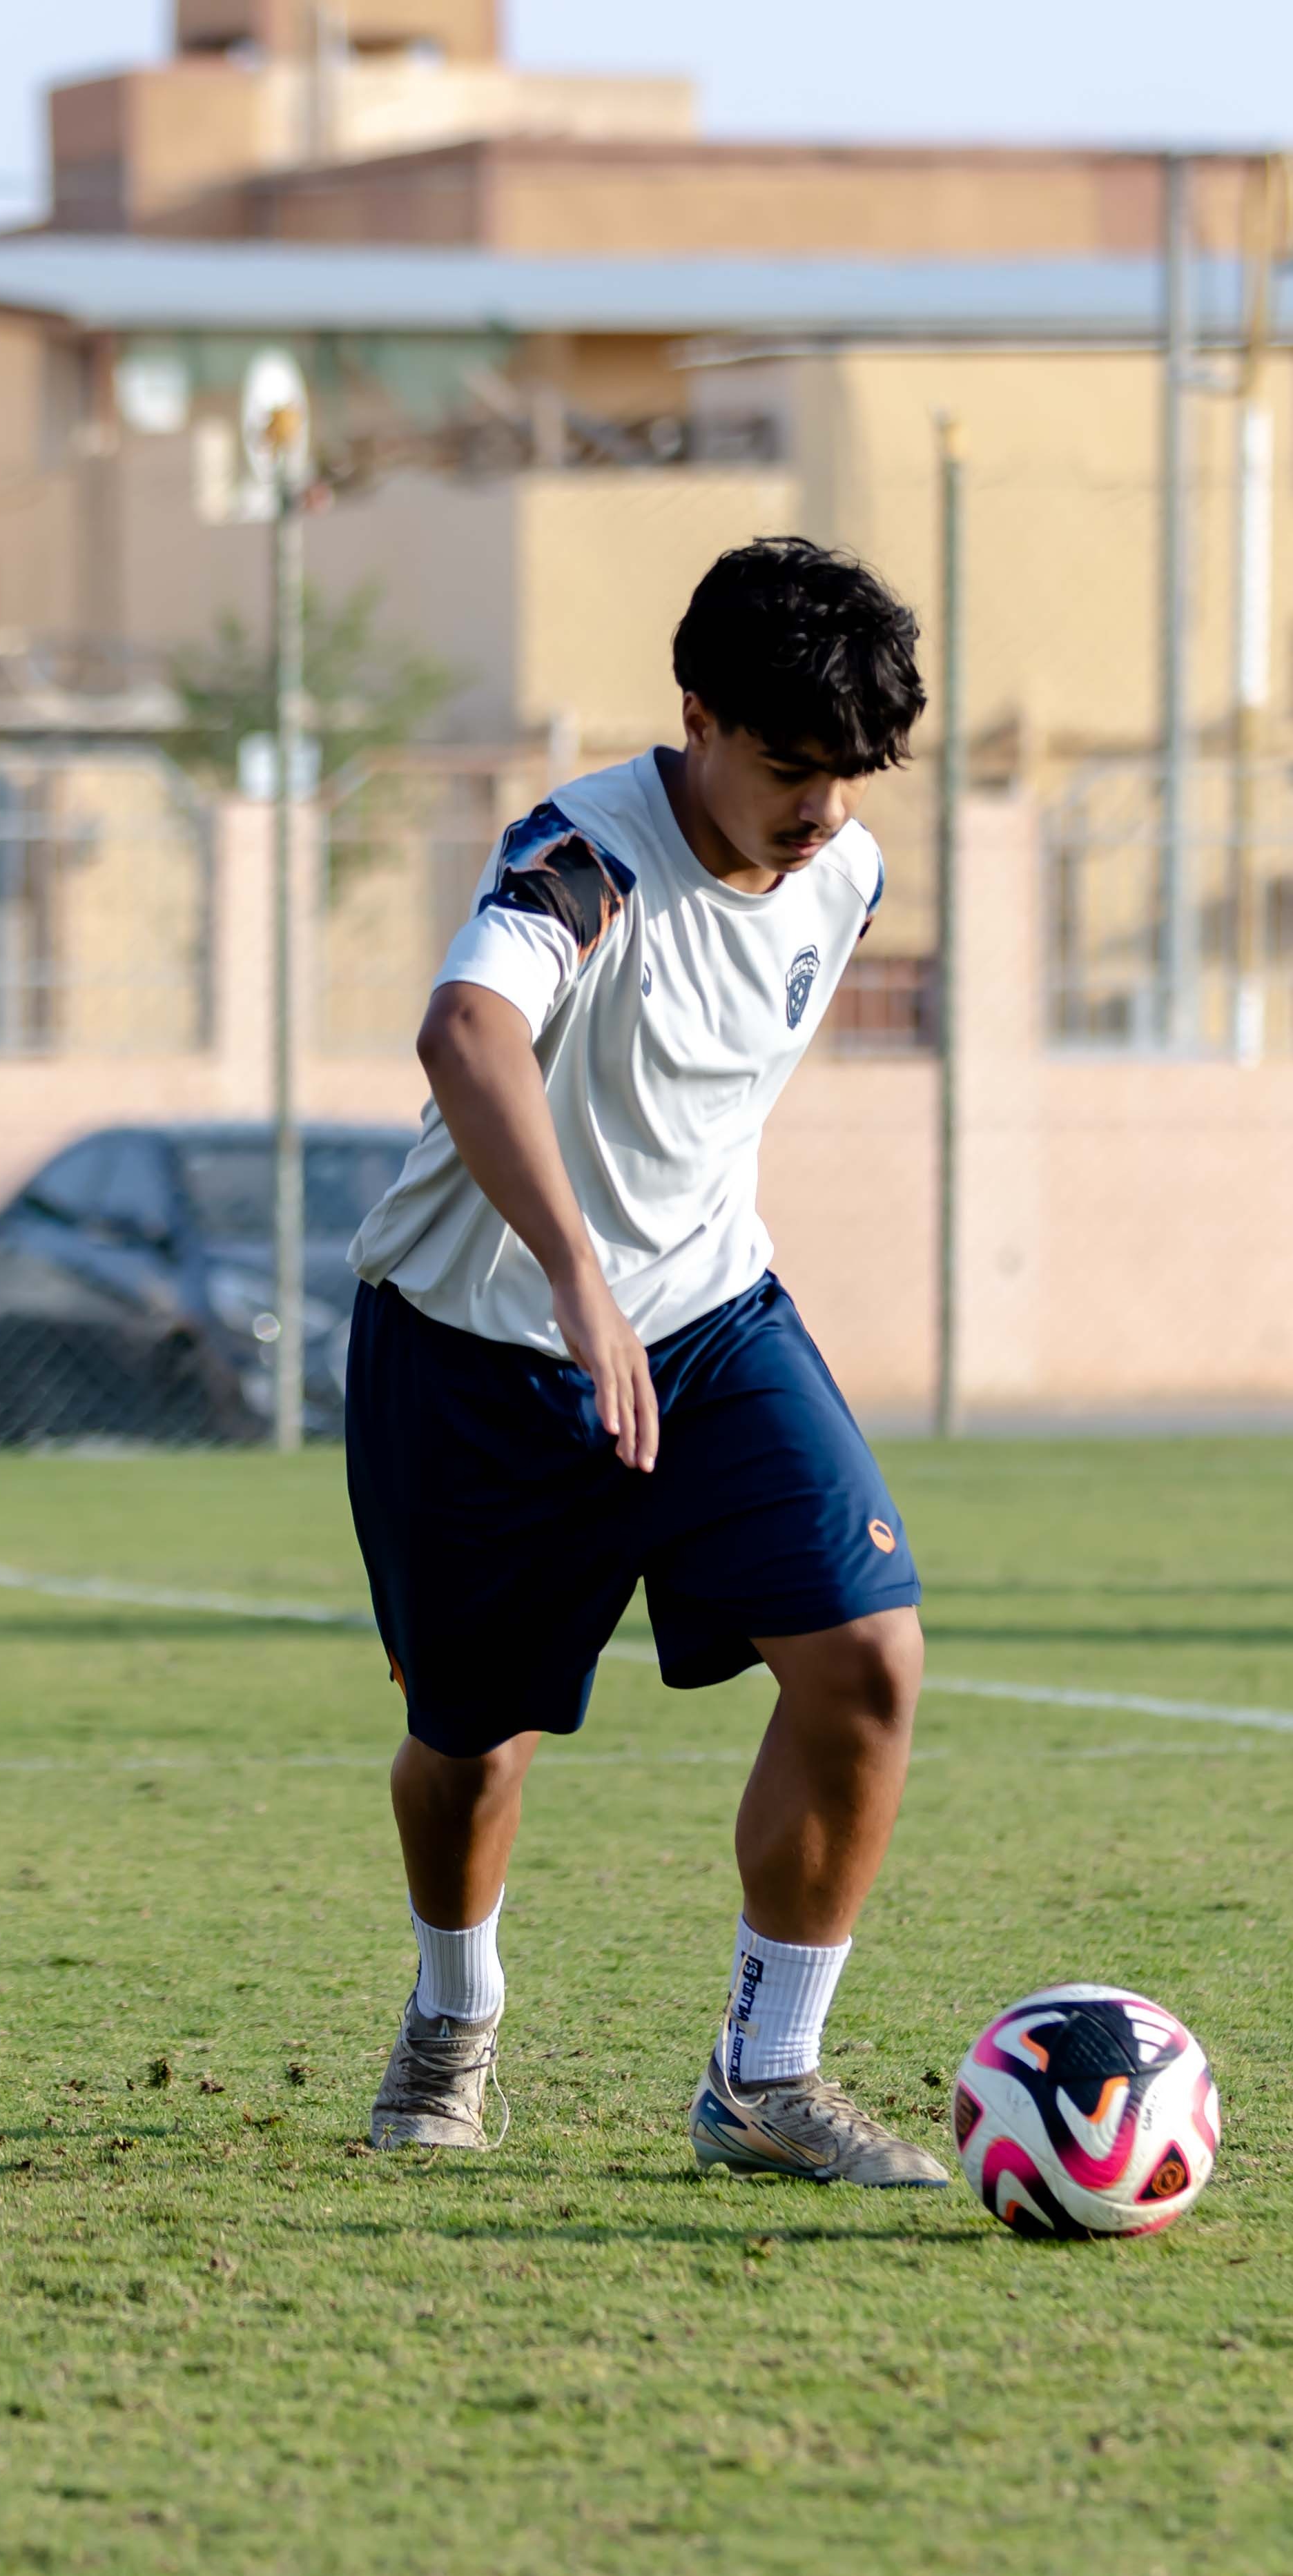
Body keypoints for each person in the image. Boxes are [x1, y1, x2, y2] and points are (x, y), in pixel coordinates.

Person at [340, 536, 946, 2184]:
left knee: (869, 1667)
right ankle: (455, 2010)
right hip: (472, 1355)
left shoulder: (849, 872)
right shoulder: (581, 857)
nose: (822, 808)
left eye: (850, 772)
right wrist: (576, 1279)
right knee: (469, 1751)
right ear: (696, 716)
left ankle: (766, 2076)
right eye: (788, 764)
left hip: (710, 1328)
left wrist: (650, 1282)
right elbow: (468, 1031)